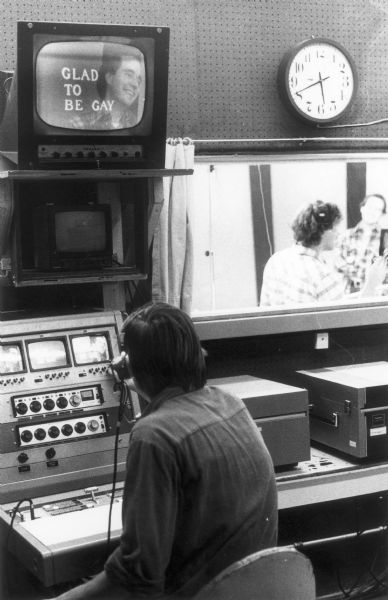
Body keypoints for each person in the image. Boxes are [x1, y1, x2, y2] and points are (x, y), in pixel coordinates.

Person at [54, 302, 278, 599]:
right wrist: (151, 393)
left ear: (132, 366)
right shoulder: (230, 403)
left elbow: (136, 581)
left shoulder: (154, 436)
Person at [260, 200, 387, 307]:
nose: (338, 233)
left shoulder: (276, 259)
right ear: (322, 231)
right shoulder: (321, 273)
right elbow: (346, 320)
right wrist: (371, 285)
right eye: (335, 228)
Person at [73, 44, 144, 130]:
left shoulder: (136, 124)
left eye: (139, 80)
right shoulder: (79, 124)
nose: (135, 85)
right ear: (110, 78)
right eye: (129, 75)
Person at [335, 194, 387, 293]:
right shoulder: (345, 236)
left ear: (382, 214)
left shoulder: (386, 239)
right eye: (369, 207)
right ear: (362, 208)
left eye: (377, 209)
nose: (372, 212)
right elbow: (338, 267)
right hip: (347, 293)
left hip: (375, 295)